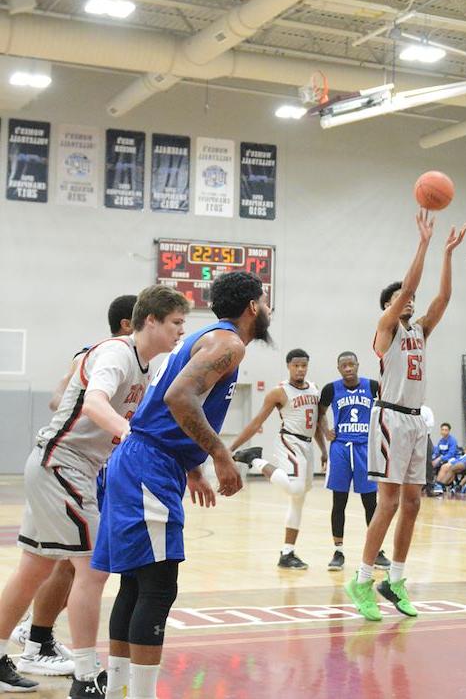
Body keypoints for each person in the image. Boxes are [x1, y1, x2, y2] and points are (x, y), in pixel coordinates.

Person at [0, 286, 187, 697]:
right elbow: (94, 404)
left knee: (34, 568)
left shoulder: (148, 368)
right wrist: (126, 431)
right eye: (176, 323)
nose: (181, 331)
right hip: (63, 464)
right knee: (92, 567)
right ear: (150, 320)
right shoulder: (116, 354)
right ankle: (85, 677)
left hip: (63, 464)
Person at [93, 270, 269, 699]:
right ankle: (140, 695)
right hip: (149, 465)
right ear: (252, 307)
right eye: (264, 303)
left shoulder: (206, 339)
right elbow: (177, 398)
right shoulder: (228, 345)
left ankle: (117, 688)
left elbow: (166, 404)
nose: (267, 311)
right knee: (157, 585)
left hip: (143, 461)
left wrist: (191, 467)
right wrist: (220, 456)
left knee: (135, 582)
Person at [346, 210, 466, 622]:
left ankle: (394, 579)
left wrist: (448, 254)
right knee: (389, 502)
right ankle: (362, 579)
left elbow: (442, 299)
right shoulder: (386, 328)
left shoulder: (420, 331)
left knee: (413, 503)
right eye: (401, 298)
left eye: (410, 299)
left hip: (416, 420)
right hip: (389, 419)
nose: (410, 301)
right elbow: (411, 285)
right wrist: (424, 244)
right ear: (389, 305)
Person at [11, 295, 139, 679]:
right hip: (71, 463)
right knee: (79, 565)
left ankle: (36, 635)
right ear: (130, 325)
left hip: (96, 466)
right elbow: (58, 401)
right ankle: (41, 640)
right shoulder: (104, 355)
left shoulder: (143, 363)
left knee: (55, 563)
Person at [230, 349, 324, 570]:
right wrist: (231, 448)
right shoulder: (279, 392)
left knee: (298, 498)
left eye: (304, 365)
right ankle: (254, 460)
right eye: (296, 365)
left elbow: (318, 424)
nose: (300, 369)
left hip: (308, 445)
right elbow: (256, 422)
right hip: (289, 441)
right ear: (288, 366)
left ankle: (287, 552)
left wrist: (324, 451)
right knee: (295, 488)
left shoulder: (314, 388)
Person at [314, 352, 388, 571]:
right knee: (339, 501)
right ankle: (338, 551)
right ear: (339, 368)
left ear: (357, 365)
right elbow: (320, 412)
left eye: (351, 364)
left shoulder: (373, 386)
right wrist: (326, 430)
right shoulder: (331, 389)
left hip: (365, 448)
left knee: (370, 503)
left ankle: (377, 552)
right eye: (343, 365)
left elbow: (386, 408)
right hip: (341, 449)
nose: (348, 368)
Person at [433, 424, 466, 493]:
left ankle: (440, 485)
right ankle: (438, 485)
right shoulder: (441, 441)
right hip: (463, 458)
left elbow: (451, 454)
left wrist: (441, 458)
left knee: (446, 466)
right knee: (434, 464)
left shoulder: (452, 440)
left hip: (455, 458)